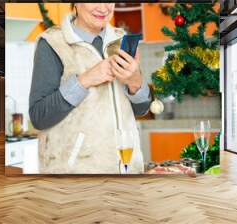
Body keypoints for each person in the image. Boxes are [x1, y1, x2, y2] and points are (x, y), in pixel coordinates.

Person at [29, 3, 151, 174]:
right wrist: (85, 80)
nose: (103, 8)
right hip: (77, 177)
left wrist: (135, 81)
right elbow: (39, 116)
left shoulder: (121, 38)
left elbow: (141, 109)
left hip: (128, 169)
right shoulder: (53, 43)